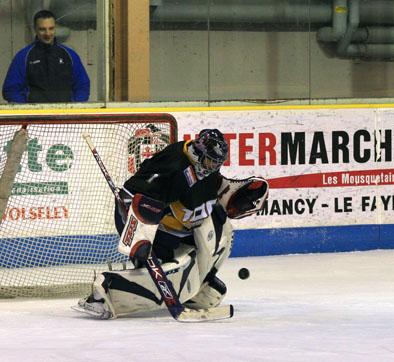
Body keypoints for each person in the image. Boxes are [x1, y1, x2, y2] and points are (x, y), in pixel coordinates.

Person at [75, 129, 269, 319]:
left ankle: (191, 286)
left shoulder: (198, 164)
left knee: (214, 260)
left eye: (217, 163)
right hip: (140, 219)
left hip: (168, 223)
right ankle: (104, 293)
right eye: (210, 161)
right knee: (177, 268)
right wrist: (141, 235)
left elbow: (210, 191)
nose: (212, 167)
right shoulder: (176, 170)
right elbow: (138, 198)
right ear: (199, 152)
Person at [2, 10, 90, 103]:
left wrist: (73, 108)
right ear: (35, 29)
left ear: (55, 28)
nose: (47, 34)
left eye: (51, 28)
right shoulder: (23, 57)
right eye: (42, 29)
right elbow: (11, 90)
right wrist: (28, 110)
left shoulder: (70, 55)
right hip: (34, 115)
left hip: (65, 114)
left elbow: (82, 86)